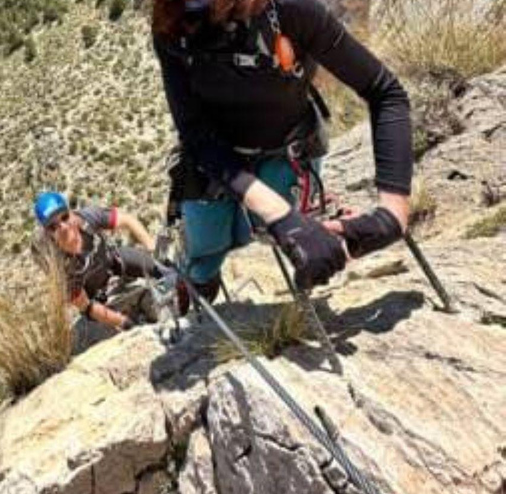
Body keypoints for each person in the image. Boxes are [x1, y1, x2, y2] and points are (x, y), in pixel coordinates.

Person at [152, 0, 413, 300]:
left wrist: (392, 212)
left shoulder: (291, 10)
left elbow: (385, 91)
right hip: (215, 154)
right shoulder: (171, 22)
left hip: (286, 149)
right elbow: (195, 134)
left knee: (260, 231)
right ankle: (200, 283)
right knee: (206, 244)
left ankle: (202, 279)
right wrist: (279, 213)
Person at [32, 191, 187, 336]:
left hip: (113, 262)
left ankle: (188, 288)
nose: (63, 227)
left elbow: (126, 219)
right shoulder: (59, 266)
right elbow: (86, 306)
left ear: (71, 213)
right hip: (95, 297)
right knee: (126, 319)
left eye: (64, 217)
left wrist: (151, 247)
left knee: (160, 266)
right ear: (48, 233)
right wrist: (124, 323)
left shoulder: (88, 218)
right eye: (53, 226)